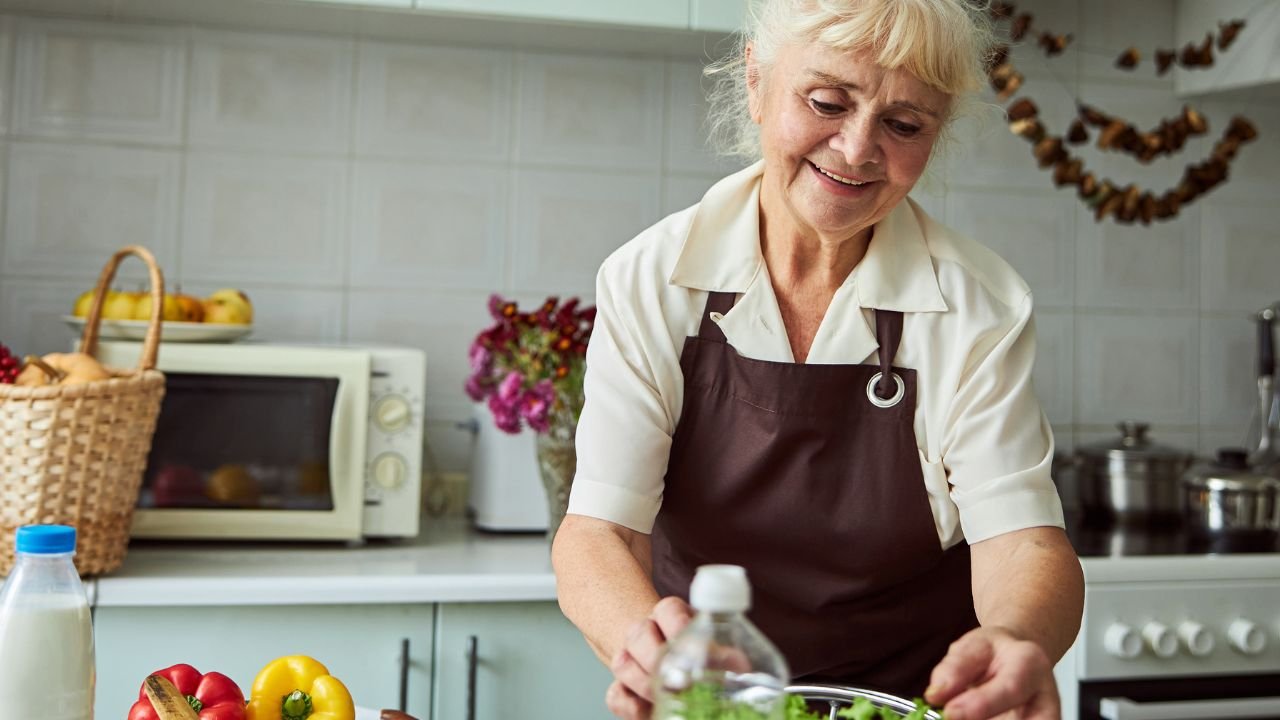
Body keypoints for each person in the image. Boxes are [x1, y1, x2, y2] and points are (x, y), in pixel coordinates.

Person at [551, 1, 1084, 718]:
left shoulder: (978, 306)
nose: (858, 148)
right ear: (756, 81)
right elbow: (599, 532)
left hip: (916, 704)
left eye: (904, 125)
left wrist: (1017, 639)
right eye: (828, 101)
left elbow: (1023, 542)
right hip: (713, 703)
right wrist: (651, 650)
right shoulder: (654, 278)